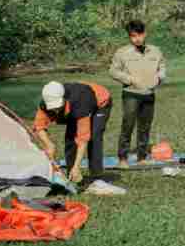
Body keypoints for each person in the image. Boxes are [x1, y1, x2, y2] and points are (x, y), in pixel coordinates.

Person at [110, 20, 167, 168]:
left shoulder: (156, 51)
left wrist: (160, 77)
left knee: (145, 126)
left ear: (145, 34)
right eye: (133, 36)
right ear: (129, 36)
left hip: (149, 94)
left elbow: (162, 67)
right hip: (131, 94)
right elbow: (113, 71)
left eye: (139, 35)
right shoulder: (122, 52)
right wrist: (130, 79)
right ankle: (122, 158)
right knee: (128, 125)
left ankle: (142, 157)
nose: (137, 39)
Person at [33, 81, 112, 183]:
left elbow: (82, 139)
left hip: (100, 102)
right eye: (53, 108)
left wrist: (77, 166)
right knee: (70, 137)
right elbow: (39, 126)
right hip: (75, 107)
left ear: (64, 99)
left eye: (57, 107)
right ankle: (72, 174)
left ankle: (96, 176)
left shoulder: (80, 103)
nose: (56, 111)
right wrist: (49, 145)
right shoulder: (45, 103)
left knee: (94, 137)